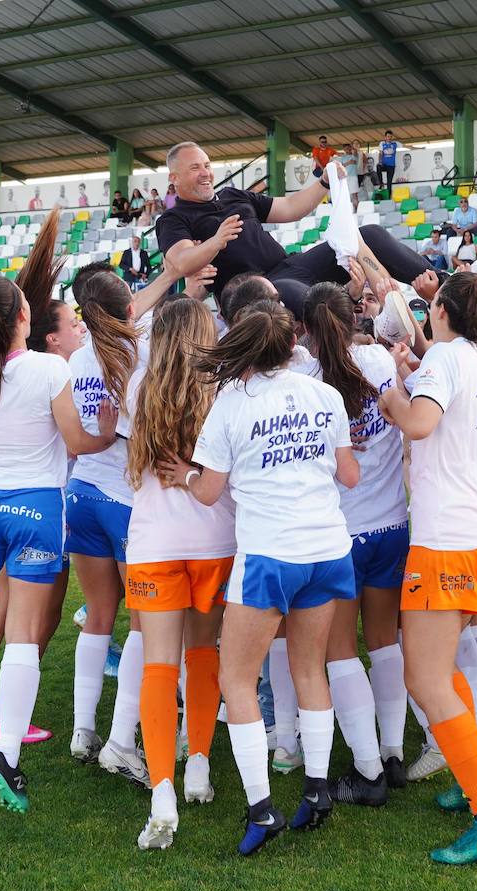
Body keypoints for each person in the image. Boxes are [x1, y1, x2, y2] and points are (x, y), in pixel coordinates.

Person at [162, 300, 358, 856]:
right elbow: (349, 473)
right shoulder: (325, 394)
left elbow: (208, 492)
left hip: (271, 554)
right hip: (327, 549)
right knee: (309, 670)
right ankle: (317, 791)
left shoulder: (231, 403)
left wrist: (186, 474)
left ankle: (261, 808)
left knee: (237, 681)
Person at [0, 269, 117, 814]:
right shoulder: (49, 367)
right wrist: (106, 430)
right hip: (35, 506)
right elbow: (77, 440)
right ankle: (5, 754)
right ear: (24, 318)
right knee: (24, 637)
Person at [376, 271, 477, 865]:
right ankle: (472, 783)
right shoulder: (476, 362)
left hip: (449, 540)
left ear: (440, 311)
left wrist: (389, 396)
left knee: (425, 678)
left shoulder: (444, 359)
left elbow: (419, 423)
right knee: (439, 671)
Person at [64, 255, 182, 784]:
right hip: (125, 501)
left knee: (97, 614)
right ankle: (119, 739)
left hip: (80, 493)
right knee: (141, 623)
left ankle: (81, 729)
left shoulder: (76, 359)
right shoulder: (139, 350)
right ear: (125, 308)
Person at [123, 297, 234, 850]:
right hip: (214, 541)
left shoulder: (139, 389)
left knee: (158, 668)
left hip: (153, 545)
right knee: (203, 655)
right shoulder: (225, 391)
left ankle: (162, 788)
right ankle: (199, 765)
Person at [300, 282, 411, 803]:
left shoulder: (306, 375)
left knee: (341, 652)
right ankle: (391, 751)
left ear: (307, 328)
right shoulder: (381, 364)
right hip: (391, 524)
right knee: (384, 642)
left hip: (339, 533)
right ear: (354, 318)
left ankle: (367, 771)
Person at [156, 141, 433, 316]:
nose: (205, 173)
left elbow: (289, 207)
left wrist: (323, 182)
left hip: (291, 266)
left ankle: (443, 286)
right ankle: (350, 323)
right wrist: (215, 242)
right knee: (299, 294)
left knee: (369, 233)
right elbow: (180, 262)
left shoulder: (232, 195)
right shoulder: (173, 219)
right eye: (195, 168)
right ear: (174, 177)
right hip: (251, 292)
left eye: (206, 165)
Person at [378, 130, 398, 195]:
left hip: (391, 166)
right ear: (385, 137)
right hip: (384, 165)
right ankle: (381, 184)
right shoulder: (382, 143)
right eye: (388, 136)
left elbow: (406, 146)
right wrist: (380, 161)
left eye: (390, 137)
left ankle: (389, 197)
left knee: (389, 183)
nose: (389, 138)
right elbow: (380, 153)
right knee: (378, 166)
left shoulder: (395, 143)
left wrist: (419, 148)